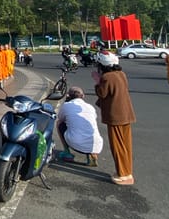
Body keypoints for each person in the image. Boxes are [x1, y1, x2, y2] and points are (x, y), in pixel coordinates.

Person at [92, 51, 136, 186]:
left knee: (117, 146)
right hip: (126, 113)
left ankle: (123, 174)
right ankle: (127, 171)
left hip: (115, 116)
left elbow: (102, 93)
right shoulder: (121, 74)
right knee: (126, 145)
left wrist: (97, 82)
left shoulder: (107, 77)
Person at [55, 85, 104, 166]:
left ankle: (67, 153)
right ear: (83, 96)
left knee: (59, 123)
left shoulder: (67, 105)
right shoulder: (90, 107)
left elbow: (60, 118)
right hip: (96, 145)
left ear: (68, 96)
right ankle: (91, 155)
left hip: (76, 143)